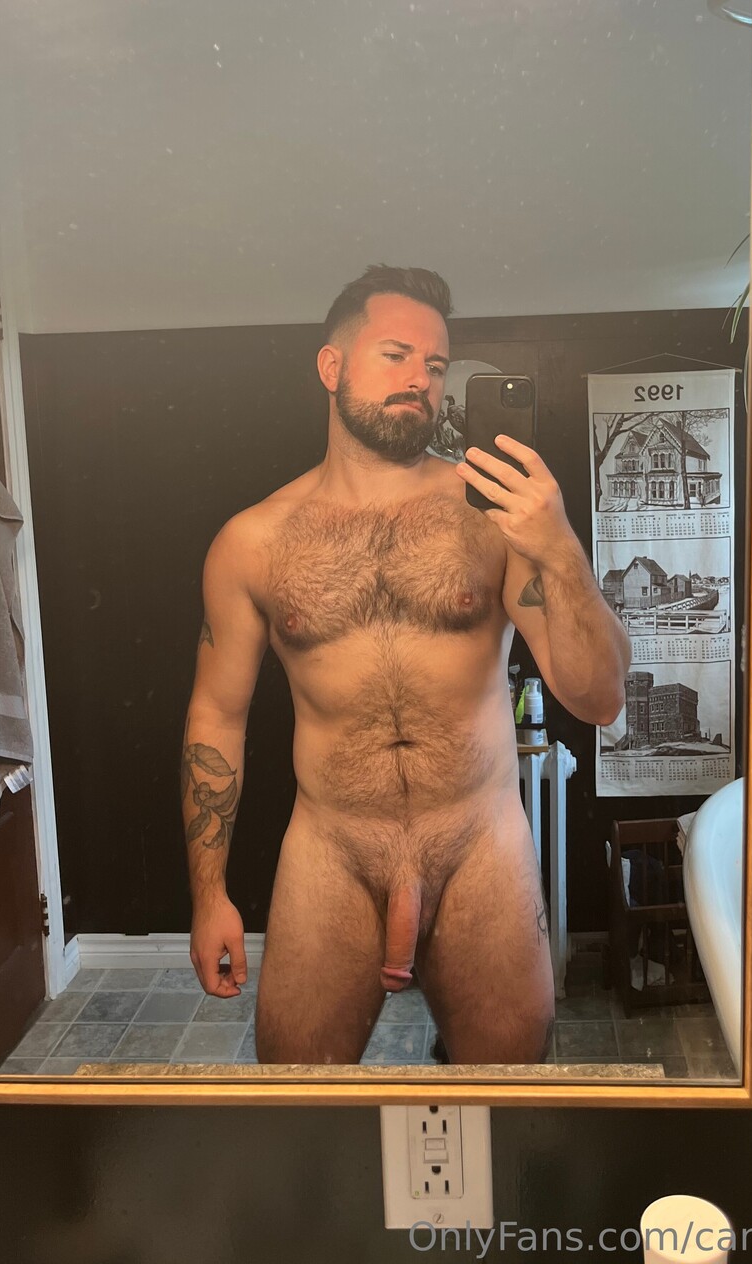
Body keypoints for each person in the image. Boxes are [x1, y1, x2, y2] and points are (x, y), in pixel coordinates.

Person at [180, 264, 629, 1064]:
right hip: (333, 851)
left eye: (435, 364)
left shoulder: (492, 521)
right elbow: (217, 715)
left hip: (479, 844)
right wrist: (208, 895)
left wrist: (559, 544)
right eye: (396, 355)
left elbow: (598, 698)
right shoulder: (252, 542)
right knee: (302, 1098)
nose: (420, 379)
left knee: (505, 1101)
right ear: (332, 366)